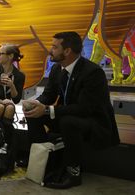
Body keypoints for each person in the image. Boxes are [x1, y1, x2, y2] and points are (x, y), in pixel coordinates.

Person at [23, 31, 120, 189]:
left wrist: (47, 110)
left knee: (69, 123)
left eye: (54, 47)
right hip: (67, 115)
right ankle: (43, 162)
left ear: (67, 51)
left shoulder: (93, 72)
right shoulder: (56, 69)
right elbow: (48, 95)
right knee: (33, 114)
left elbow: (85, 109)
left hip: (94, 122)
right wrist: (34, 103)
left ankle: (73, 173)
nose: (50, 50)